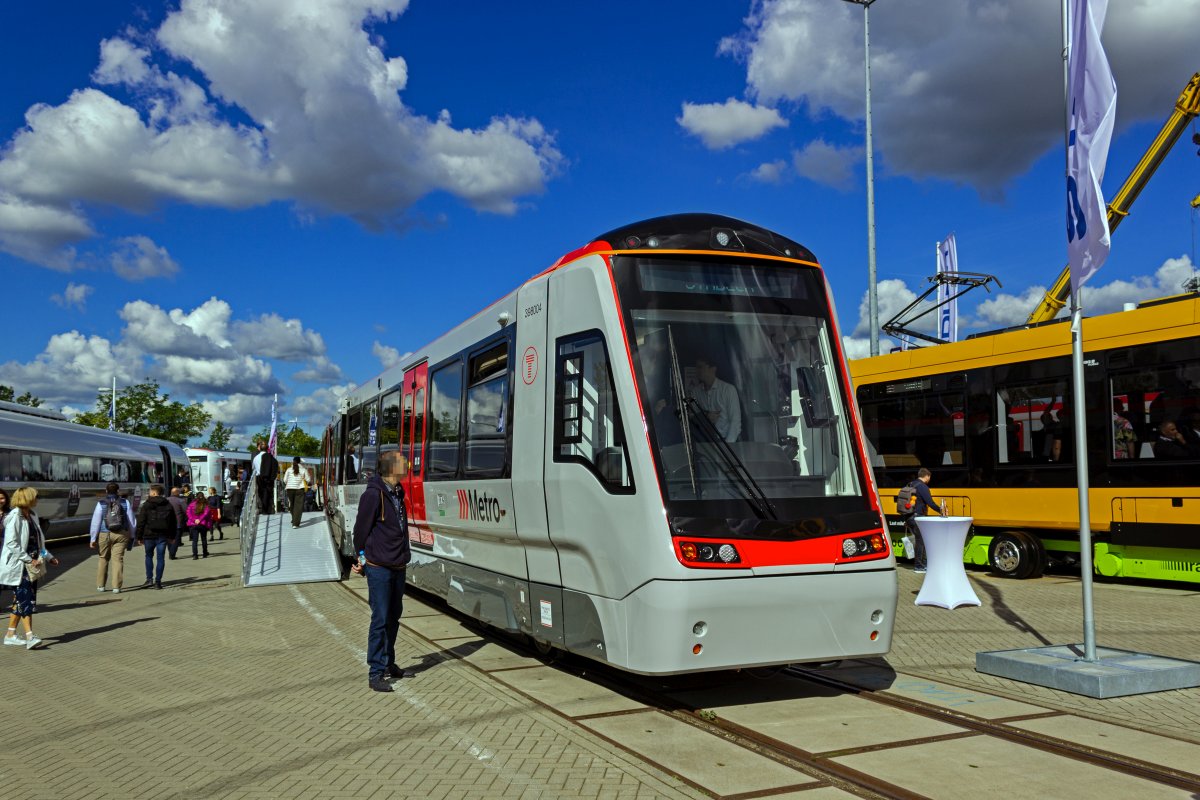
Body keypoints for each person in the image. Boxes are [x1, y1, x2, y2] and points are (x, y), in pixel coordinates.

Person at [350, 451, 413, 693]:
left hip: (398, 564)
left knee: (393, 616)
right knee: (380, 618)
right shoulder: (373, 494)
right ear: (390, 468)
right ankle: (375, 672)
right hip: (379, 567)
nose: (407, 463)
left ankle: (388, 662)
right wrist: (362, 559)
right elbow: (360, 531)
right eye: (402, 461)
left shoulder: (398, 492)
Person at [2, 487, 57, 649]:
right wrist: (28, 559)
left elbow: (38, 542)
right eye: (35, 496)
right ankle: (30, 636)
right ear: (27, 498)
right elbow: (11, 543)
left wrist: (49, 556)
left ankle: (10, 635)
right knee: (26, 600)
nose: (37, 499)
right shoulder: (15, 517)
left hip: (31, 566)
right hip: (20, 566)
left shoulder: (32, 516)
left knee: (19, 600)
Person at [90, 482, 137, 593]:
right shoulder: (125, 502)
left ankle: (101, 586)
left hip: (104, 533)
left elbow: (95, 522)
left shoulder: (101, 503)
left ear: (106, 491)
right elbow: (132, 521)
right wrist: (132, 535)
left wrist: (93, 538)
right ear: (118, 491)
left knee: (103, 558)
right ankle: (116, 587)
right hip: (121, 534)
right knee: (118, 559)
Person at [690, 357, 741, 442]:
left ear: (713, 369)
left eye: (700, 367)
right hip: (705, 441)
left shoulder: (728, 390)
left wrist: (728, 446)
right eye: (696, 367)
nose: (697, 371)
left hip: (726, 441)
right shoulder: (695, 392)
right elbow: (691, 417)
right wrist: (706, 416)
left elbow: (735, 422)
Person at [900, 467, 938, 574]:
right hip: (917, 517)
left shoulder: (910, 484)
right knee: (921, 541)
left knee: (921, 540)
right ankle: (919, 566)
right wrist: (941, 510)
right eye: (929, 477)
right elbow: (930, 503)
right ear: (927, 476)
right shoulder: (923, 487)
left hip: (909, 517)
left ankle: (924, 564)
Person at [137, 484, 175, 589]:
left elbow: (141, 521)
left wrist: (139, 536)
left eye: (150, 491)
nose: (149, 493)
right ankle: (158, 582)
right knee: (161, 558)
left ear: (154, 493)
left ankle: (149, 579)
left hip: (149, 534)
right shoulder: (168, 504)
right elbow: (172, 522)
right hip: (162, 535)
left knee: (148, 556)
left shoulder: (147, 505)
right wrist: (172, 536)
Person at [252, 442, 279, 514]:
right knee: (268, 493)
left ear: (260, 448)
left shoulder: (255, 458)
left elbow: (253, 468)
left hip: (258, 477)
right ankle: (268, 509)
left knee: (261, 493)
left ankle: (263, 508)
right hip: (268, 477)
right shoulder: (269, 457)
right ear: (267, 449)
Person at [186, 493, 214, 559]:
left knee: (194, 540)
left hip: (194, 524)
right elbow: (206, 513)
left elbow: (188, 513)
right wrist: (200, 519)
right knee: (204, 539)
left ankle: (195, 555)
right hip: (203, 524)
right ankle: (205, 553)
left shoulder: (192, 504)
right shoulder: (206, 504)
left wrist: (194, 520)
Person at [283, 456, 307, 529]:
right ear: (300, 462)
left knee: (292, 504)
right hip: (299, 489)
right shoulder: (303, 469)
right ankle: (295, 523)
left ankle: (294, 519)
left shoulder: (289, 469)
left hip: (290, 489)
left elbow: (284, 480)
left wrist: (289, 483)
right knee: (298, 506)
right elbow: (308, 479)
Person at [167, 487, 187, 559]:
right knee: (176, 539)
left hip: (167, 524)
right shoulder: (181, 501)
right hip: (178, 523)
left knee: (169, 538)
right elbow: (186, 511)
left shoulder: (166, 500)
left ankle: (170, 552)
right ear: (178, 493)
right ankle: (172, 554)